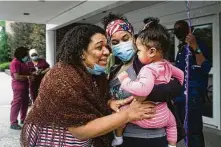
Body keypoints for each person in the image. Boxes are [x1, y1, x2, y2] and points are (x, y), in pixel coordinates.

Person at [20, 24, 156, 147]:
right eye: (99, 47)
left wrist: (108, 103)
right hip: (54, 141)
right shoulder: (62, 78)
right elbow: (80, 130)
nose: (107, 52)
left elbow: (89, 100)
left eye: (107, 46)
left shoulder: (95, 73)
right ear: (81, 53)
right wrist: (128, 114)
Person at [103, 13, 184, 147]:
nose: (121, 45)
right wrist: (110, 102)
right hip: (123, 135)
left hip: (151, 137)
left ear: (133, 38)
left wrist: (146, 94)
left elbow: (174, 85)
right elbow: (104, 97)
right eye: (115, 42)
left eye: (125, 38)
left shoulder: (147, 61)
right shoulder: (114, 70)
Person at [174, 20, 212, 147]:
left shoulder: (199, 44)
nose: (177, 31)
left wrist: (195, 46)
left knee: (194, 132)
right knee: (183, 130)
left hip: (193, 96)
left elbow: (205, 67)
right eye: (176, 29)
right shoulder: (181, 48)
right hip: (180, 95)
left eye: (180, 28)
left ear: (189, 29)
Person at [9, 47, 34, 130]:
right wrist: (28, 77)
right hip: (18, 86)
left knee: (25, 103)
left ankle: (23, 119)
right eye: (26, 55)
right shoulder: (15, 63)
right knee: (17, 104)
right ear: (21, 54)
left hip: (25, 86)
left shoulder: (22, 62)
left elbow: (26, 72)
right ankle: (13, 122)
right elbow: (17, 76)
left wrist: (32, 74)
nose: (27, 56)